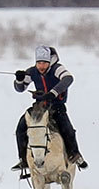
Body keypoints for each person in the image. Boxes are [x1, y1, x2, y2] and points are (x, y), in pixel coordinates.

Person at [12, 45, 87, 173]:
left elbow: (68, 78)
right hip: (39, 107)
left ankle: (75, 155)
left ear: (50, 62)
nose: (41, 66)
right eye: (39, 63)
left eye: (44, 63)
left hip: (56, 106)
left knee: (67, 128)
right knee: (21, 128)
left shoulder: (57, 69)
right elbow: (20, 89)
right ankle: (23, 159)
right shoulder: (32, 72)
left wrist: (53, 93)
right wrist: (19, 80)